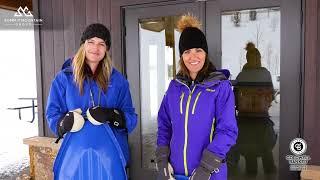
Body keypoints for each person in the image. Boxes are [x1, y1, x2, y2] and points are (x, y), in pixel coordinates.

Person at [46, 23, 137, 180]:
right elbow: (52, 114)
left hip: (110, 159)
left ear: (106, 49)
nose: (96, 48)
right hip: (73, 159)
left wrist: (112, 116)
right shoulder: (64, 79)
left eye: (101, 44)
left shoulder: (118, 81)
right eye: (91, 42)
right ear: (83, 45)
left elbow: (131, 118)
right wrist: (63, 123)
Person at [156, 15, 238, 180]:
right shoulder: (174, 87)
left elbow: (227, 131)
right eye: (187, 52)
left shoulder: (220, 87)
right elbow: (164, 125)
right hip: (175, 174)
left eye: (198, 50)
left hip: (209, 174)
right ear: (182, 56)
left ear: (205, 53)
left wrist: (206, 168)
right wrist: (162, 159)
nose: (193, 57)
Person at [233, 42, 277, 176]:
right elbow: (271, 95)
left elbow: (235, 98)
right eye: (255, 58)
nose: (256, 60)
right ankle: (270, 172)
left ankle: (252, 173)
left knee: (249, 149)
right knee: (265, 148)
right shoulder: (265, 74)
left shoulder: (241, 75)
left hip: (245, 119)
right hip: (260, 118)